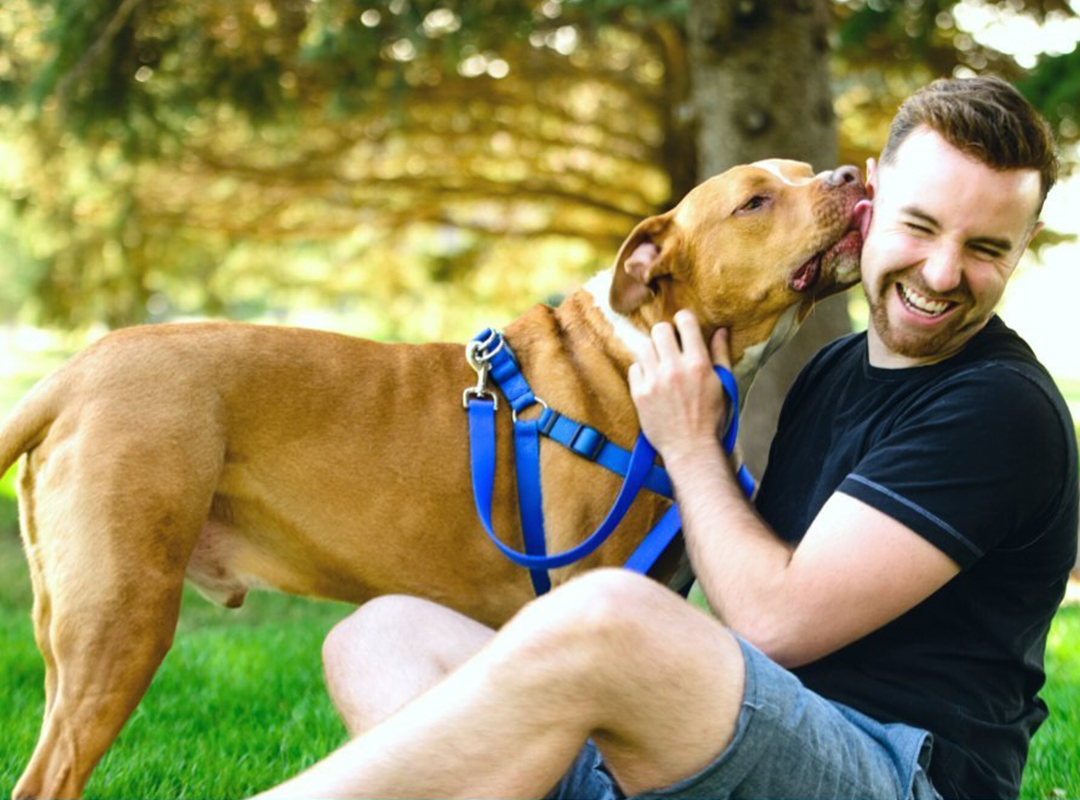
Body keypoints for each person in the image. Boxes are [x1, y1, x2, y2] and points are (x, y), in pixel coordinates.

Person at [259, 77, 1078, 800]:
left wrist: (690, 445)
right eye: (920, 226)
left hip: (888, 771)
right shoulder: (830, 371)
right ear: (869, 203)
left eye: (984, 249)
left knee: (610, 609)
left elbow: (772, 623)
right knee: (382, 634)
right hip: (735, 748)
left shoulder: (999, 409)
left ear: (1021, 249)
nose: (941, 273)